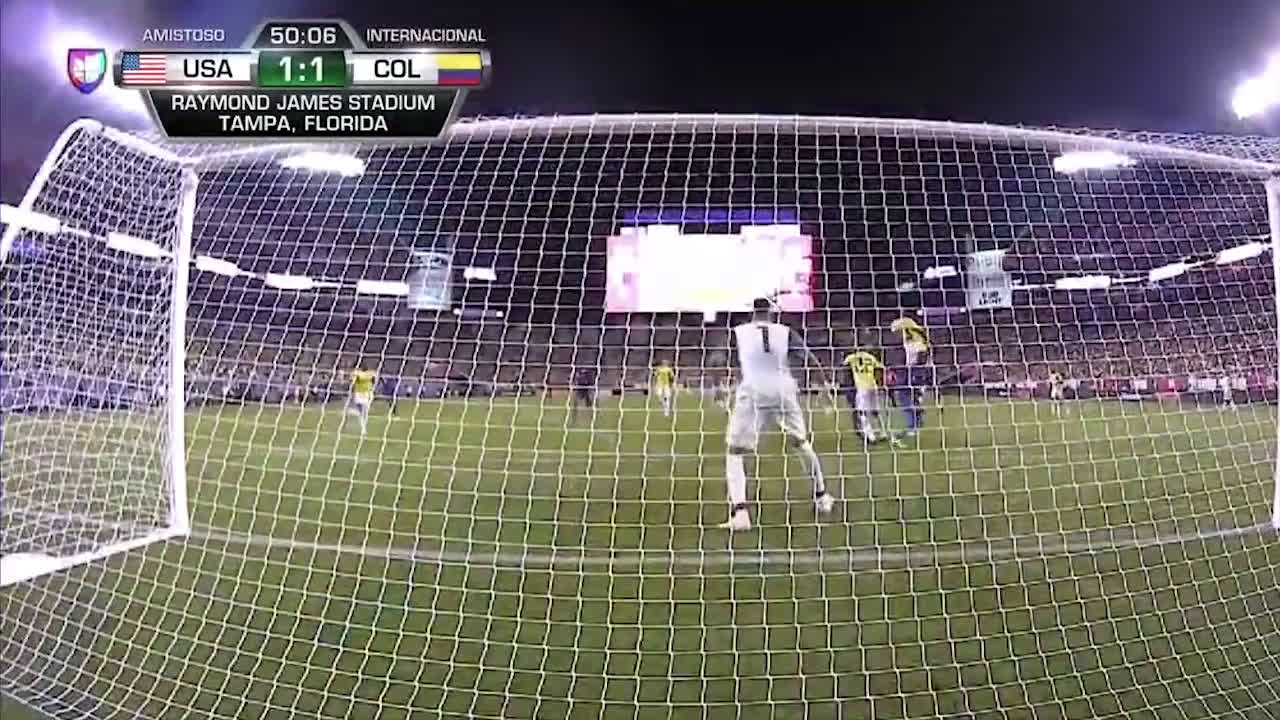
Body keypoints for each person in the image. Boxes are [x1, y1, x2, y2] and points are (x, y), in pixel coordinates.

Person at [721, 298, 834, 531]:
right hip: (784, 389)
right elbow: (810, 360)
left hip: (752, 390)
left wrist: (721, 386)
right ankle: (822, 497)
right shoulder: (785, 332)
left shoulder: (738, 332)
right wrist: (823, 388)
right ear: (771, 312)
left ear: (752, 312)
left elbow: (719, 360)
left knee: (735, 451)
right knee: (800, 443)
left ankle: (740, 513)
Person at [842, 348, 884, 442]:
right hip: (873, 386)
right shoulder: (870, 357)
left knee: (862, 412)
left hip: (862, 388)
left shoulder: (851, 358)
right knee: (875, 411)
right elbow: (879, 368)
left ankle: (870, 435)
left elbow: (844, 365)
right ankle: (882, 432)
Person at [346, 362, 378, 435]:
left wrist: (352, 377)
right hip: (365, 393)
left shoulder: (357, 373)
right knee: (363, 411)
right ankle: (363, 427)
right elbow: (374, 381)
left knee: (362, 412)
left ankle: (363, 428)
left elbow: (352, 382)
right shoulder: (370, 373)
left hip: (361, 394)